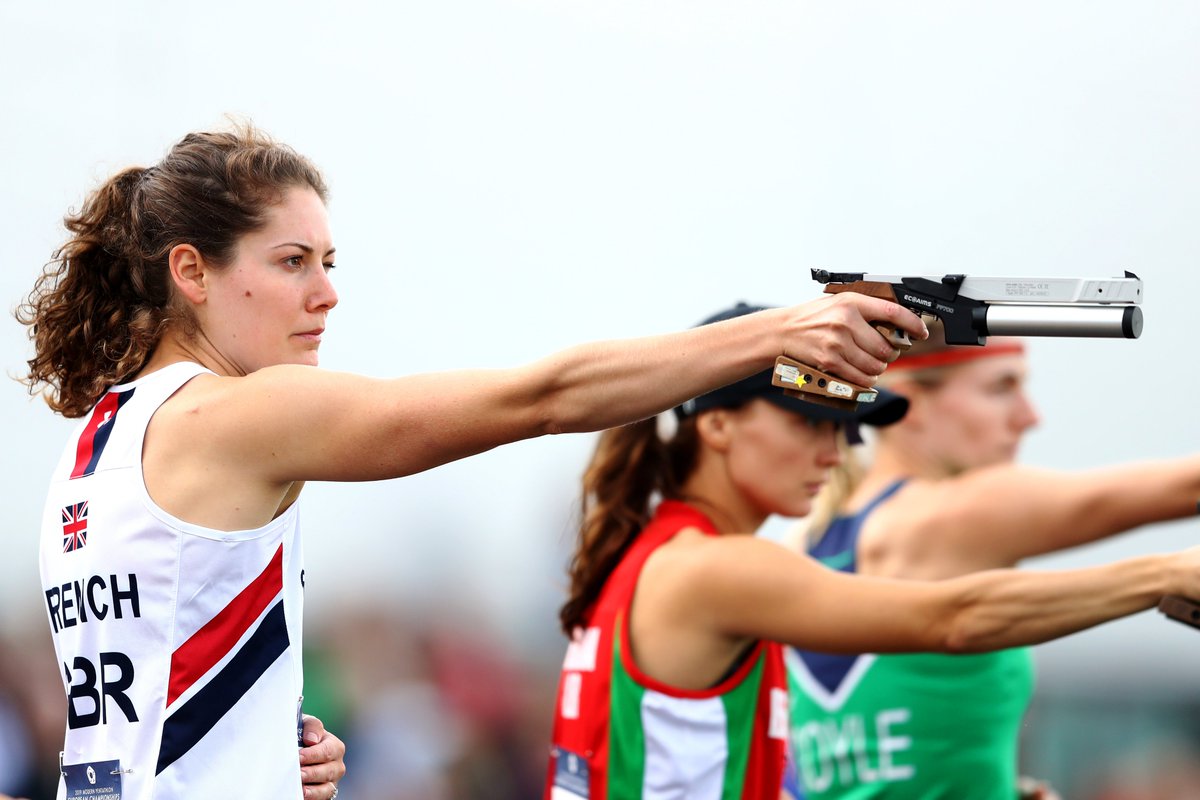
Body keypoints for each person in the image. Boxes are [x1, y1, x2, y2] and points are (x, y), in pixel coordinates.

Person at [16, 125, 928, 800]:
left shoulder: (97, 444)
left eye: (329, 260)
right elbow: (541, 398)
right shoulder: (237, 414)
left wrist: (259, 754)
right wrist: (779, 334)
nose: (326, 294)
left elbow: (137, 737)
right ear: (192, 271)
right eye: (292, 261)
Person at [544, 302, 1200, 800]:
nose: (832, 454)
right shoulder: (715, 566)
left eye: (844, 427)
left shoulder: (670, 556)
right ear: (716, 423)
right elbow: (952, 619)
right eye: (808, 421)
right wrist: (1162, 573)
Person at [785, 322, 1200, 799]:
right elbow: (1183, 487)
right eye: (1003, 387)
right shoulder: (951, 513)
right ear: (911, 403)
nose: (1029, 416)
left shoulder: (808, 541)